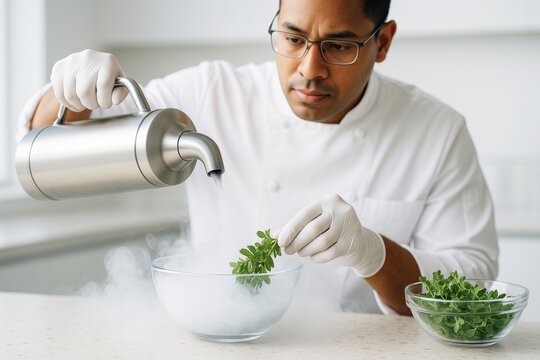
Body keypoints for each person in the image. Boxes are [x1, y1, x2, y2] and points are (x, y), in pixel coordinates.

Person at [17, 0, 498, 315]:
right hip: (225, 341)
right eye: (293, 39)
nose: (310, 70)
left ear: (384, 42)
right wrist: (73, 92)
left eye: (340, 47)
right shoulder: (212, 91)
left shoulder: (437, 131)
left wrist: (374, 253)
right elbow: (44, 139)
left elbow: (472, 285)